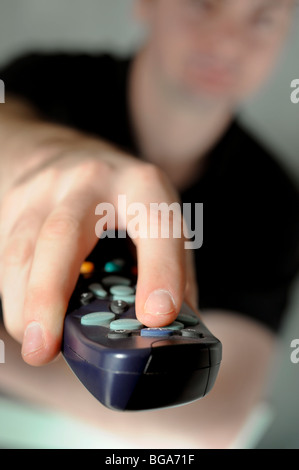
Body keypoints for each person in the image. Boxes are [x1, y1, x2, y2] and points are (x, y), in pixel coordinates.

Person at [0, 0, 298, 449]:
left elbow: (215, 423)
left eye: (264, 18)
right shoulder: (44, 79)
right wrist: (46, 156)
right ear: (147, 3)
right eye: (204, 5)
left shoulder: (273, 199)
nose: (228, 41)